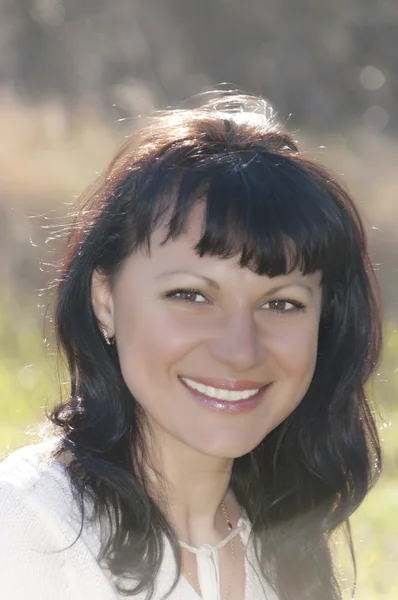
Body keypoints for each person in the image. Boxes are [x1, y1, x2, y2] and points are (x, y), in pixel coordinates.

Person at [0, 92, 382, 600]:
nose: (240, 350)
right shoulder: (27, 530)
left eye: (282, 304)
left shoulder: (282, 542)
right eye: (191, 295)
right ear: (105, 300)